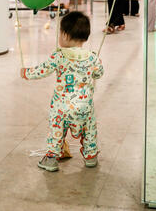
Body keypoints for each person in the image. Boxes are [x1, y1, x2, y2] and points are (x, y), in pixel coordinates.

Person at [20, 11, 104, 172]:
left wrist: (26, 73)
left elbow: (42, 70)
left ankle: (51, 159)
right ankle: (91, 157)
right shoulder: (92, 57)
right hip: (85, 107)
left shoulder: (59, 56)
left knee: (56, 131)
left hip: (62, 108)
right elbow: (99, 73)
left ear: (65, 35)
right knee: (90, 130)